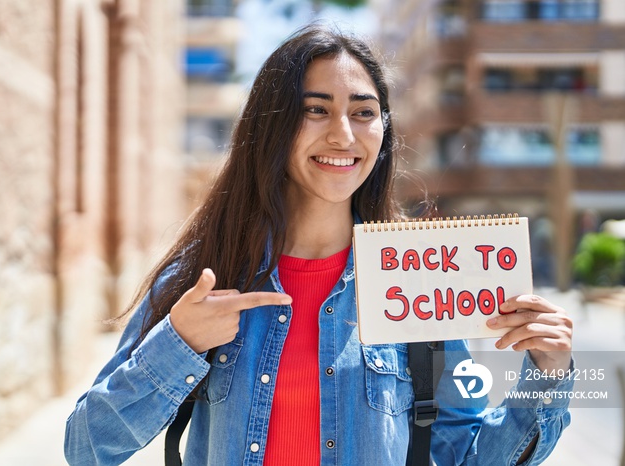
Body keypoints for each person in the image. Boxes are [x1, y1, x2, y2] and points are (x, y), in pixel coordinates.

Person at [64, 24, 574, 466]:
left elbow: (469, 455)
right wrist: (179, 344)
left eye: (363, 112)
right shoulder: (201, 277)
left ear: (383, 129)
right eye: (316, 109)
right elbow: (86, 447)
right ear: (273, 124)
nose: (343, 136)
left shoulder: (418, 284)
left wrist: (546, 377)